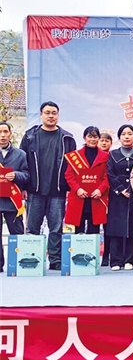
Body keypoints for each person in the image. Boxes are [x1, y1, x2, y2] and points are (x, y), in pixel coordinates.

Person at [20, 101, 77, 270]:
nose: (51, 116)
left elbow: (72, 168)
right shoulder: (29, 137)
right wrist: (23, 187)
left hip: (58, 191)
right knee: (32, 228)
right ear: (41, 115)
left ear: (58, 115)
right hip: (34, 190)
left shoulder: (67, 139)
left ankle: (55, 261)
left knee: (56, 229)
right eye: (47, 113)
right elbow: (23, 164)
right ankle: (32, 259)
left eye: (54, 113)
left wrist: (69, 189)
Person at [106, 124, 133, 271]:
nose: (127, 137)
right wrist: (120, 189)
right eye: (124, 134)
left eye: (130, 134)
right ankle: (115, 260)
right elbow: (109, 173)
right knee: (116, 227)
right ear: (119, 137)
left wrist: (132, 190)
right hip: (116, 196)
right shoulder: (112, 154)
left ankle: (129, 260)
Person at [64, 126, 110, 234]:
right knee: (78, 229)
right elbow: (69, 175)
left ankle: (93, 246)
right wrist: (77, 189)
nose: (92, 139)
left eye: (95, 137)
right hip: (79, 197)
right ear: (84, 138)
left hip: (96, 197)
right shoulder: (75, 156)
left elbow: (107, 176)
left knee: (94, 229)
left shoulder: (106, 156)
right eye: (90, 136)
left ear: (98, 138)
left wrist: (100, 190)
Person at [0, 122, 29, 273]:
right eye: (0, 132)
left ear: (10, 134)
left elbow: (27, 175)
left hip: (13, 201)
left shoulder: (20, 154)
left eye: (5, 132)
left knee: (17, 232)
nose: (2, 135)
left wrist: (16, 175)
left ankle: (19, 262)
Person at [98, 132, 113, 266]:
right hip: (95, 196)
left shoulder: (113, 156)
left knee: (108, 228)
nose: (104, 143)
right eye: (101, 140)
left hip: (110, 196)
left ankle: (107, 255)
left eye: (107, 141)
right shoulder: (91, 157)